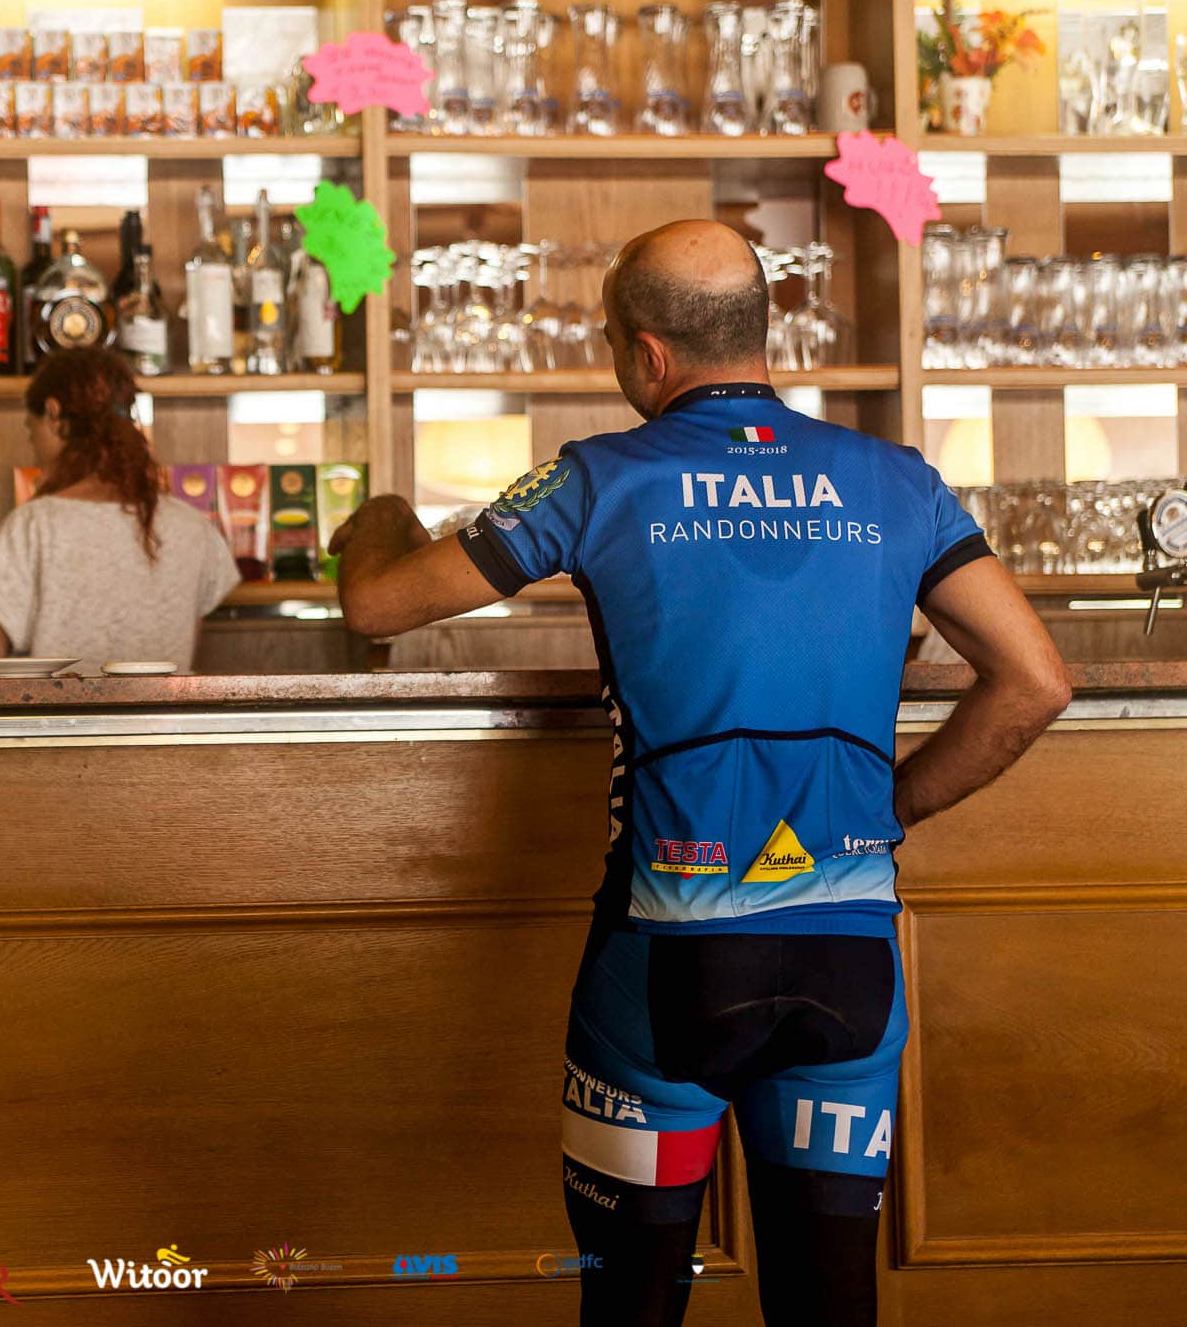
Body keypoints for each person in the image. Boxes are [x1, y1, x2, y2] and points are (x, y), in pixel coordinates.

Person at [329, 220, 1070, 1327]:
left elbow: (376, 603)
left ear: (645, 353)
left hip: (667, 961)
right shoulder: (897, 481)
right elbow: (1034, 680)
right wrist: (891, 806)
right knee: (827, 1308)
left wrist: (381, 516)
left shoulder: (594, 479)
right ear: (761, 331)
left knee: (631, 1305)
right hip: (851, 965)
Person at [0, 348, 239, 674]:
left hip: (58, 710)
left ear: (53, 413)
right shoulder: (193, 527)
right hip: (166, 711)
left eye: (31, 430)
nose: (33, 450)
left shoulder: (34, 525)